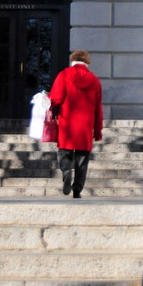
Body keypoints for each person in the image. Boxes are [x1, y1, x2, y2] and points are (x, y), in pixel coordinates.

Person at [49, 50, 103, 199]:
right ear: (87, 62)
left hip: (68, 121)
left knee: (64, 152)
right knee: (82, 159)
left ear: (72, 60)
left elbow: (57, 98)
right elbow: (98, 108)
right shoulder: (94, 80)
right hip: (85, 125)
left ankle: (66, 172)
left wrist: (47, 99)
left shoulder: (64, 75)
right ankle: (77, 190)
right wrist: (97, 131)